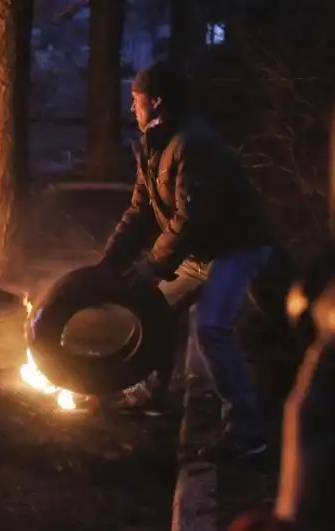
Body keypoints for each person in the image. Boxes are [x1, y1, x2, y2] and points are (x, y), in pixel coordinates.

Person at [98, 59, 276, 460]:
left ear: (156, 102)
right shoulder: (153, 145)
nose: (132, 108)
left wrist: (154, 265)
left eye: (136, 100)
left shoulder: (193, 143)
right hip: (201, 250)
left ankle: (247, 432)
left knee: (212, 327)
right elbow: (141, 211)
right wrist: (109, 263)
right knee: (154, 305)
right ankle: (152, 393)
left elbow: (190, 218)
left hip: (236, 246)